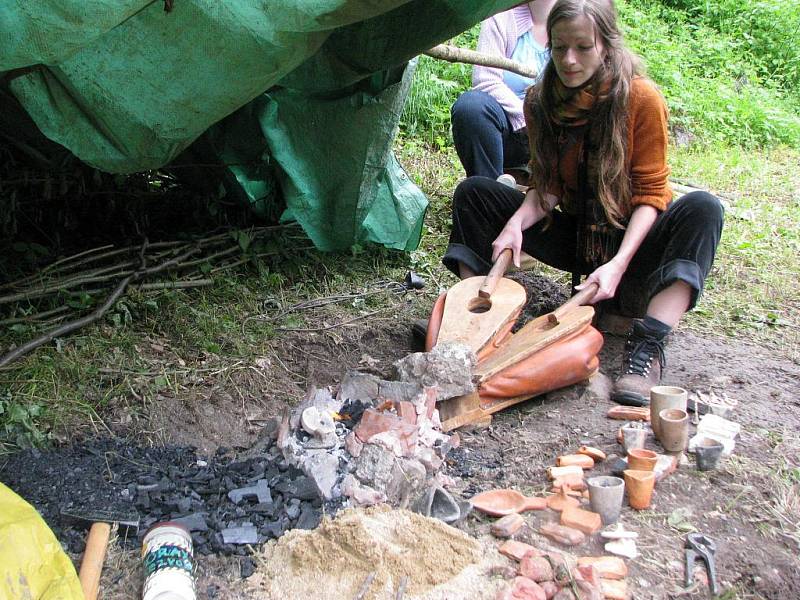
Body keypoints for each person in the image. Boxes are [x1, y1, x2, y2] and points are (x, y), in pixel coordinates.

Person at [443, 0, 724, 407]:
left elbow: (650, 194)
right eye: (559, 48)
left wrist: (619, 264)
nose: (569, 60)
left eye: (583, 47)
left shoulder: (641, 99)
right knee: (475, 193)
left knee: (704, 209)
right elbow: (548, 187)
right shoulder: (542, 100)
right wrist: (516, 224)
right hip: (580, 240)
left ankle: (646, 348)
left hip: (633, 244)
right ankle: (475, 326)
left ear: (606, 45)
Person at [451, 1, 556, 179]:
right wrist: (531, 119)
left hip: (558, 135)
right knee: (471, 107)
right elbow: (486, 80)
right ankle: (486, 193)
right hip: (511, 131)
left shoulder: (578, 18)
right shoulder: (502, 15)